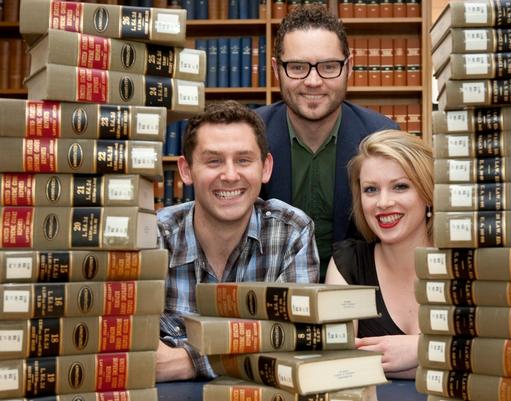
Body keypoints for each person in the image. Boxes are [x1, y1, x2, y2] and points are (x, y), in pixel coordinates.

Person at [156, 101, 320, 382]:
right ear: (185, 170)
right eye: (213, 161)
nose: (230, 175)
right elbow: (132, 350)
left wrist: (190, 362)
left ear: (265, 167)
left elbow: (296, 340)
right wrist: (253, 345)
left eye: (243, 160)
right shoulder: (156, 237)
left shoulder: (292, 233)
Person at [257, 5, 398, 279]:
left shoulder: (382, 136)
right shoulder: (250, 135)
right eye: (297, 67)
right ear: (277, 69)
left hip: (357, 298)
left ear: (349, 67)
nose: (313, 81)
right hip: (269, 300)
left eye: (328, 67)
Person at [325, 130, 433, 379]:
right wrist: (445, 354)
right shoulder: (347, 265)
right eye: (371, 190)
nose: (383, 203)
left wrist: (420, 349)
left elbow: (491, 355)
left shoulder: (465, 263)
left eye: (400, 187)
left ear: (427, 193)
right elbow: (339, 364)